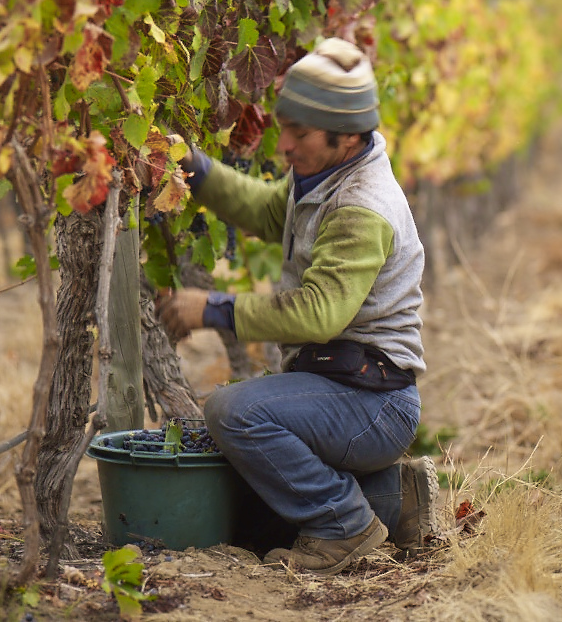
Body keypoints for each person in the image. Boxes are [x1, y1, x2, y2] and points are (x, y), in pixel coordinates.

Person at [157, 37, 438, 576]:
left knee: (232, 412)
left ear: (347, 133)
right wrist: (197, 170)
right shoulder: (326, 175)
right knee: (258, 526)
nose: (283, 145)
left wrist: (215, 309)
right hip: (343, 386)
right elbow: (268, 211)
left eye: (299, 133)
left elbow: (319, 314)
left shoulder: (362, 206)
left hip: (372, 401)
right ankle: (393, 499)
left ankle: (343, 525)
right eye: (284, 128)